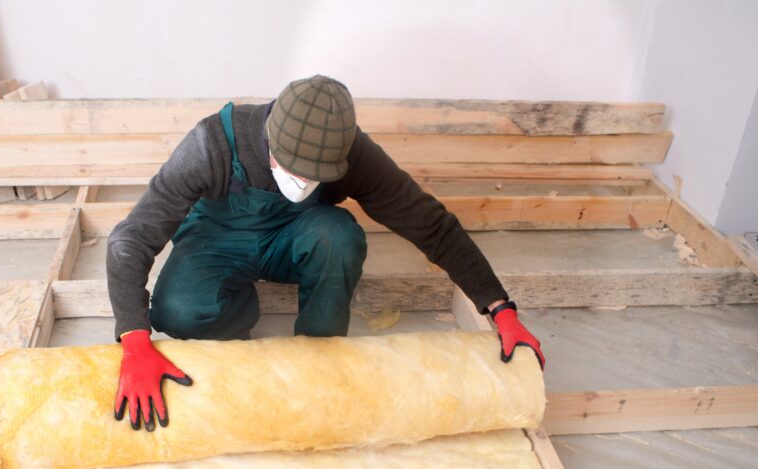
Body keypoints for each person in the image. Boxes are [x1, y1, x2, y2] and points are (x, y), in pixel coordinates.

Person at [107, 75, 545, 431]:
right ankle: (240, 306)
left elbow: (430, 224)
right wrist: (134, 338)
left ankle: (320, 354)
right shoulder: (212, 145)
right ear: (269, 140)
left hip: (296, 238)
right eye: (292, 169)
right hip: (219, 238)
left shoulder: (353, 152)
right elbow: (131, 238)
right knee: (178, 312)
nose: (302, 181)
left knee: (339, 235)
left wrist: (500, 307)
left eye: (316, 175)